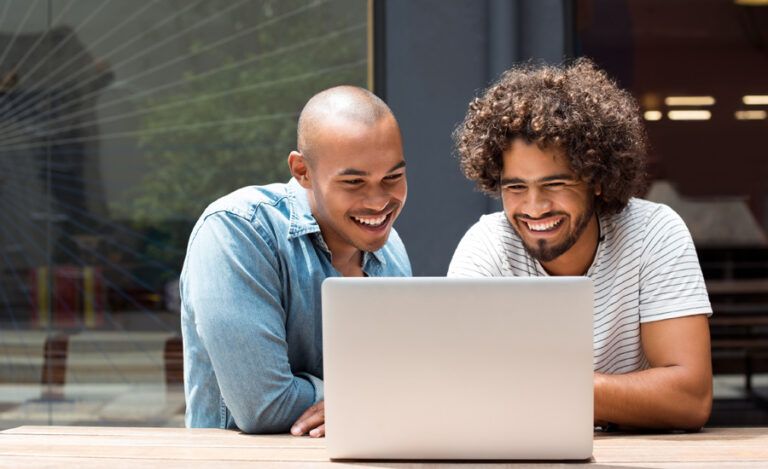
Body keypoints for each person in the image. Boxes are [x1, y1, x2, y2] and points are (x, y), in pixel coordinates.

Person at [448, 59, 712, 430]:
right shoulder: (487, 245)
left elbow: (689, 399)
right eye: (516, 187)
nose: (535, 207)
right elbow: (461, 392)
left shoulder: (655, 232)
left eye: (556, 184)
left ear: (597, 180)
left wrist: (538, 387)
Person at [180, 86, 411, 436]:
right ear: (302, 171)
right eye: (353, 182)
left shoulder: (391, 248)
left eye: (392, 178)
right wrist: (369, 399)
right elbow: (263, 406)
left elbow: (405, 392)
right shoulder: (239, 229)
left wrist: (381, 400)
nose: (379, 202)